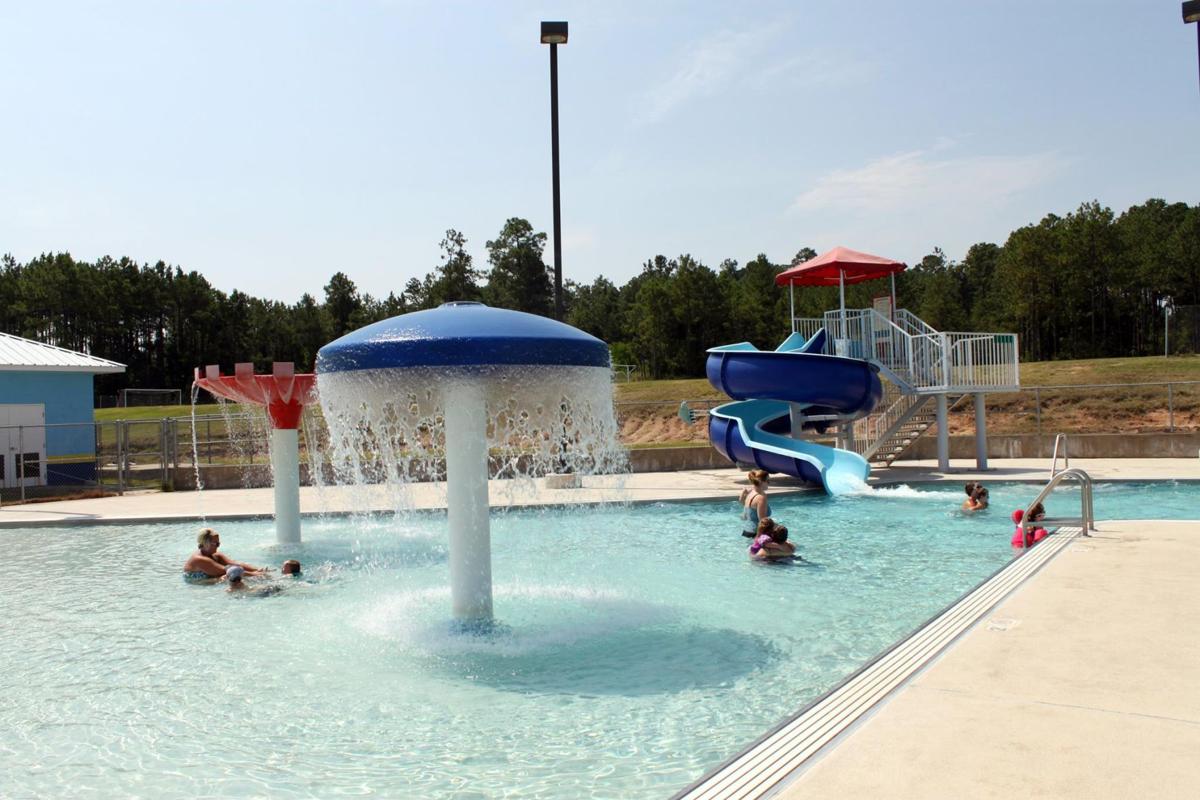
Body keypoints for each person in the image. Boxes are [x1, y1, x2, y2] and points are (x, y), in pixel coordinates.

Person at [183, 528, 269, 581]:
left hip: (214, 579)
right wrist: (257, 575)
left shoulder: (215, 555)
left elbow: (235, 564)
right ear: (205, 543)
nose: (218, 546)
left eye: (218, 543)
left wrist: (257, 570)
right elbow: (230, 571)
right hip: (201, 585)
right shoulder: (199, 560)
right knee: (231, 579)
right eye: (216, 544)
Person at [740, 469, 772, 538]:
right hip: (756, 534)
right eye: (768, 481)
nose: (769, 483)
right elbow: (763, 522)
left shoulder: (750, 494)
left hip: (746, 532)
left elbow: (745, 516)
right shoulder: (760, 498)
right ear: (760, 482)